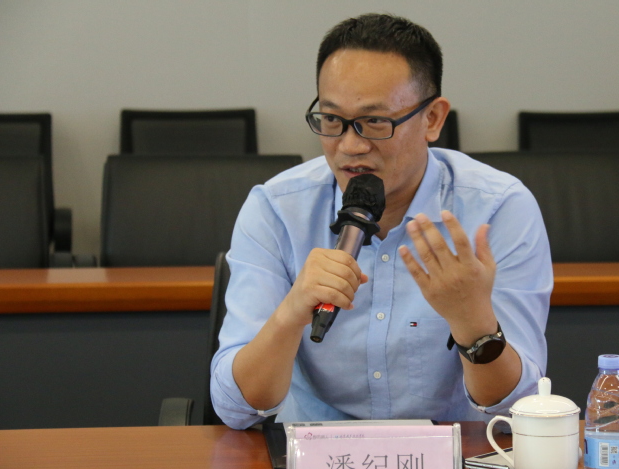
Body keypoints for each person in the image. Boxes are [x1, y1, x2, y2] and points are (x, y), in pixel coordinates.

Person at [211, 13, 553, 429]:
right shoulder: (277, 210)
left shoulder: (498, 210)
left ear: (432, 119)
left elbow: (519, 409)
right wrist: (290, 313)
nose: (350, 145)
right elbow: (236, 409)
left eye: (375, 122)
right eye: (332, 120)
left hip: (455, 458)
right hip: (314, 457)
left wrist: (473, 323)